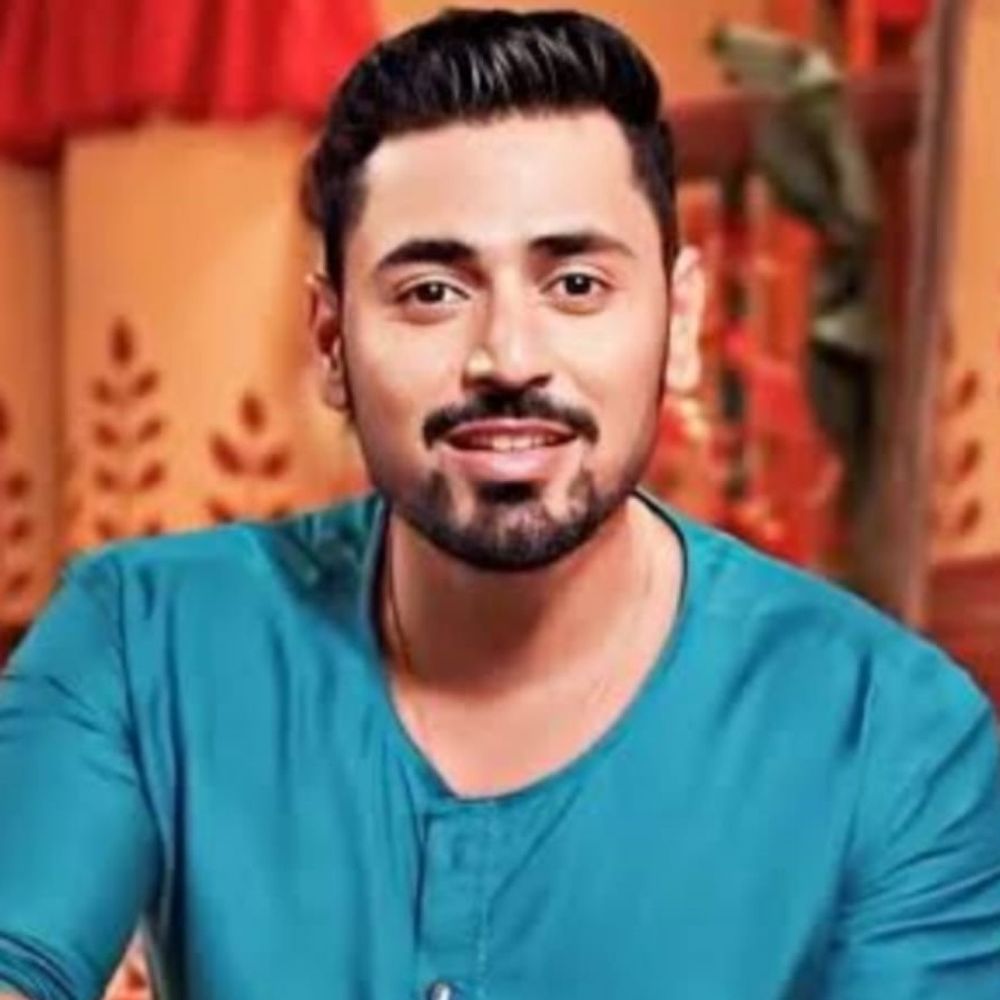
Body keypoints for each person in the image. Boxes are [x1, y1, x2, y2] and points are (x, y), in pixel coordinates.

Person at [1, 8, 998, 1000]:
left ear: (680, 317)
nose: (509, 358)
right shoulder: (143, 640)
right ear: (332, 341)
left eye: (576, 283)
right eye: (432, 292)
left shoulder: (894, 737)